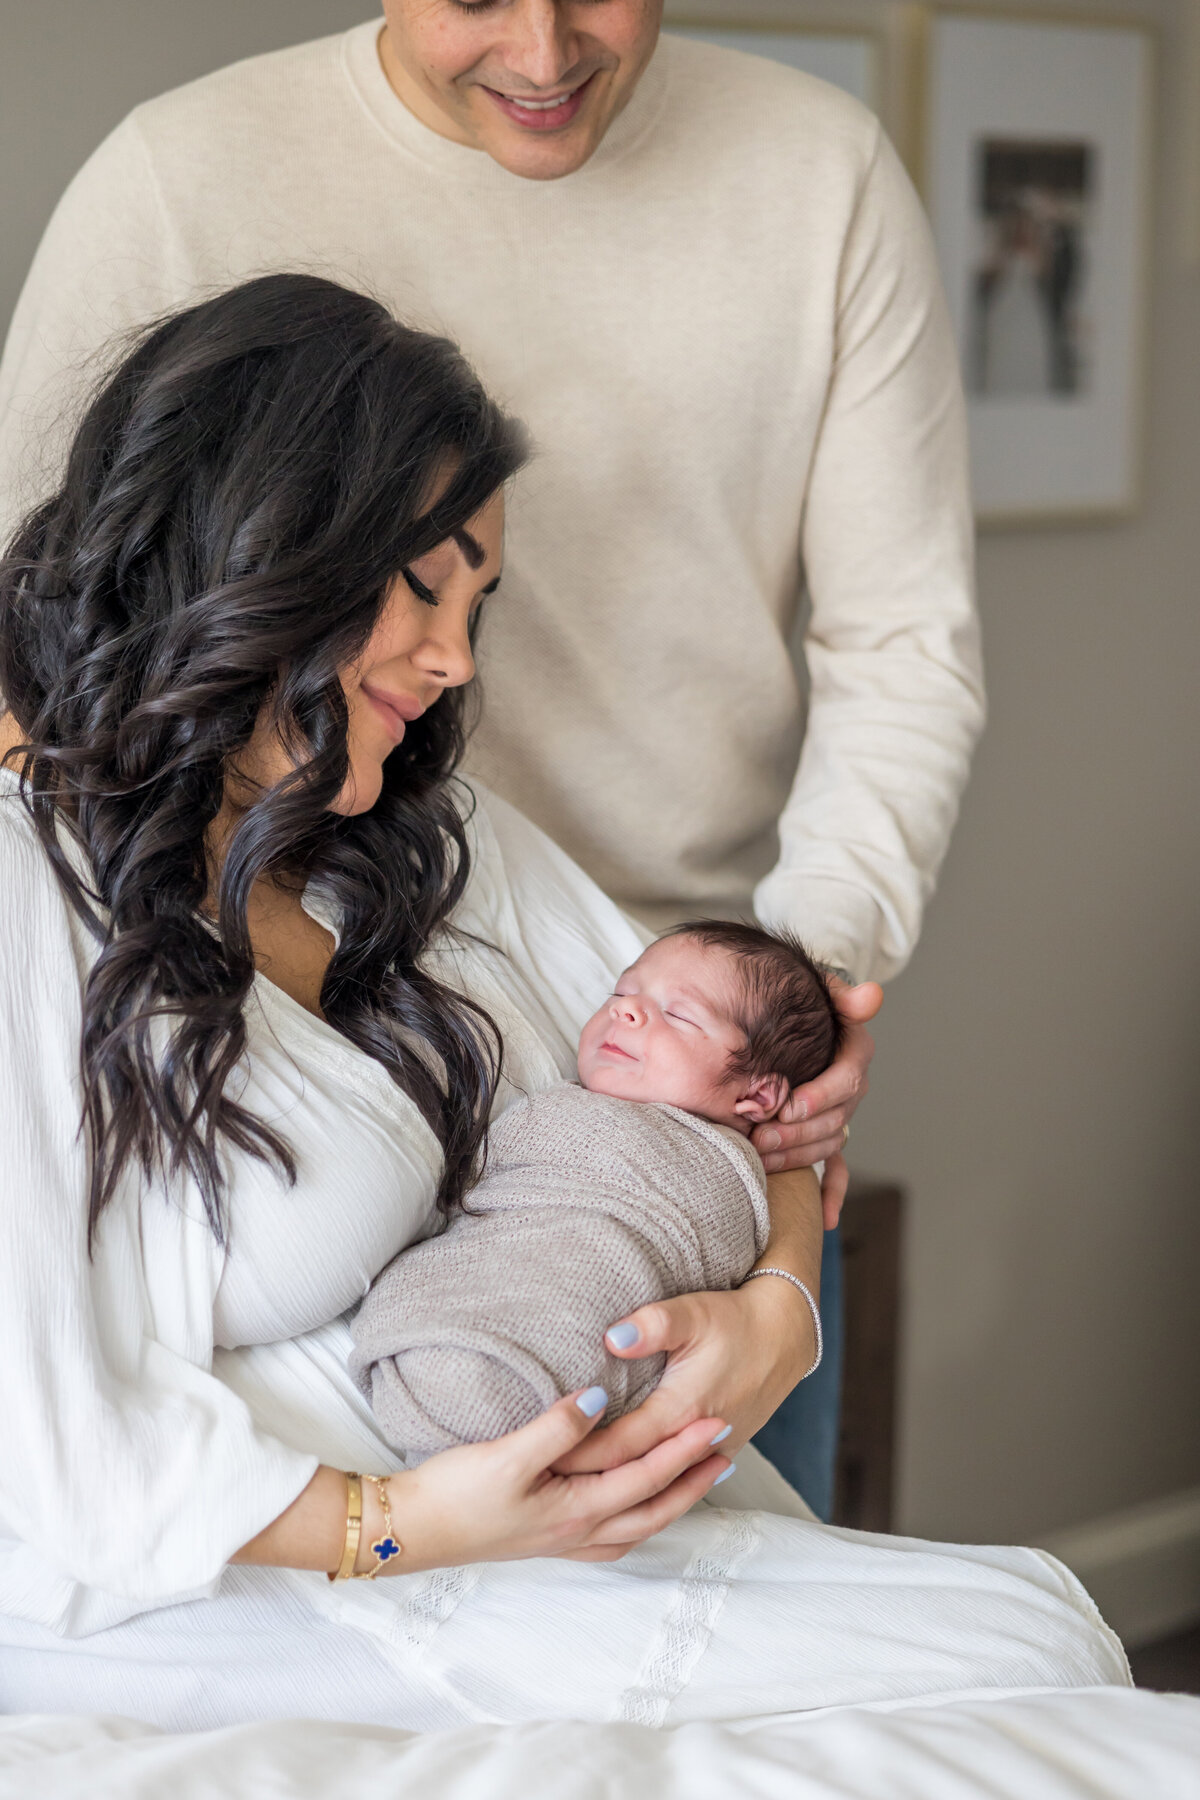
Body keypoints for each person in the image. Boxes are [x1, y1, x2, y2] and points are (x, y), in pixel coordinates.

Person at [0, 277, 1121, 1731]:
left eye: (479, 605)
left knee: (1041, 1637)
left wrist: (781, 1313)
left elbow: (754, 1110)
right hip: (269, 1569)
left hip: (528, 1517)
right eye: (424, 584)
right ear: (263, 544)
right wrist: (405, 1525)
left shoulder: (427, 837)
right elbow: (43, 1437)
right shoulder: (36, 889)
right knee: (1012, 1679)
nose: (458, 659)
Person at [0, 0, 985, 1516]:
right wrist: (81, 848)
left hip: (636, 1003)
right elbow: (54, 586)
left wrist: (780, 1007)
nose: (542, 52)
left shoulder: (818, 173)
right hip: (241, 926)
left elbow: (906, 644)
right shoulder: (179, 177)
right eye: (477, 0)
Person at [353, 922, 840, 1463]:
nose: (625, 1011)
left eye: (678, 1014)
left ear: (759, 1094)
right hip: (466, 1307)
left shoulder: (727, 1173)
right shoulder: (559, 1105)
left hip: (567, 1350)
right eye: (623, 993)